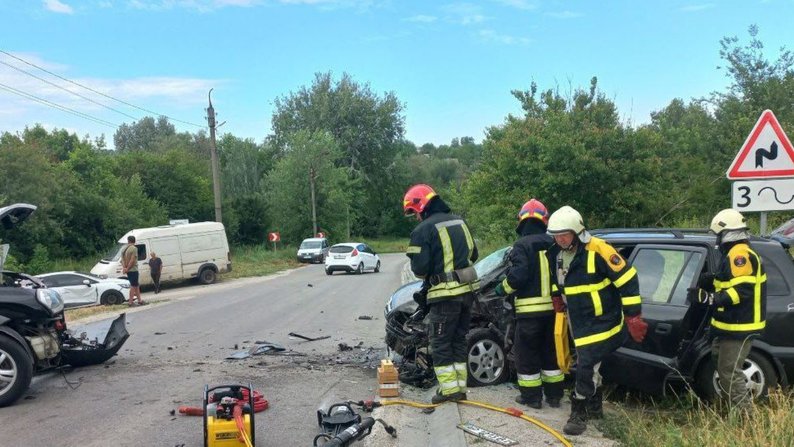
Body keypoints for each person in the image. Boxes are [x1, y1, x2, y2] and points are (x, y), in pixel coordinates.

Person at [546, 206, 647, 436]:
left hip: (601, 320)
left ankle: (578, 411)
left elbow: (628, 279)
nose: (559, 239)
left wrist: (633, 315)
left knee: (585, 364)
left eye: (564, 234)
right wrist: (555, 295)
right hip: (577, 320)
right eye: (556, 235)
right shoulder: (556, 253)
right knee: (590, 362)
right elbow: (557, 278)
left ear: (577, 232)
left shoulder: (599, 249)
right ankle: (595, 406)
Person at [403, 184, 480, 404]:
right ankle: (460, 388)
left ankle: (448, 390)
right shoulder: (460, 221)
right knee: (458, 340)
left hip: (444, 296)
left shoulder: (422, 231)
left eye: (414, 212)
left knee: (440, 343)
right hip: (467, 293)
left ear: (421, 206)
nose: (416, 218)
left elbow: (420, 269)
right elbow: (473, 254)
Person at [494, 199, 563, 409]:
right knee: (551, 355)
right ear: (544, 220)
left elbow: (517, 278)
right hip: (553, 313)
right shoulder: (554, 243)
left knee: (527, 356)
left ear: (522, 221)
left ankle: (532, 398)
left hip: (528, 316)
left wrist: (502, 289)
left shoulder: (521, 245)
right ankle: (554, 397)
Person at [701, 208, 766, 410]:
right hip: (729, 324)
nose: (716, 240)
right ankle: (730, 407)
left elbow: (742, 291)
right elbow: (732, 281)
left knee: (729, 371)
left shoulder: (740, 254)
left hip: (739, 326)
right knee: (721, 365)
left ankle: (746, 420)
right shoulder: (734, 253)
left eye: (717, 235)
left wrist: (710, 298)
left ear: (726, 233)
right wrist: (713, 279)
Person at [121, 235, 145, 306]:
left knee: (136, 285)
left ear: (128, 241)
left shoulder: (124, 248)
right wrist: (128, 268)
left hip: (127, 269)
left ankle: (140, 300)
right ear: (134, 241)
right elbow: (132, 260)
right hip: (133, 269)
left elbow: (122, 260)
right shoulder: (134, 248)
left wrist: (125, 268)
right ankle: (130, 302)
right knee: (133, 285)